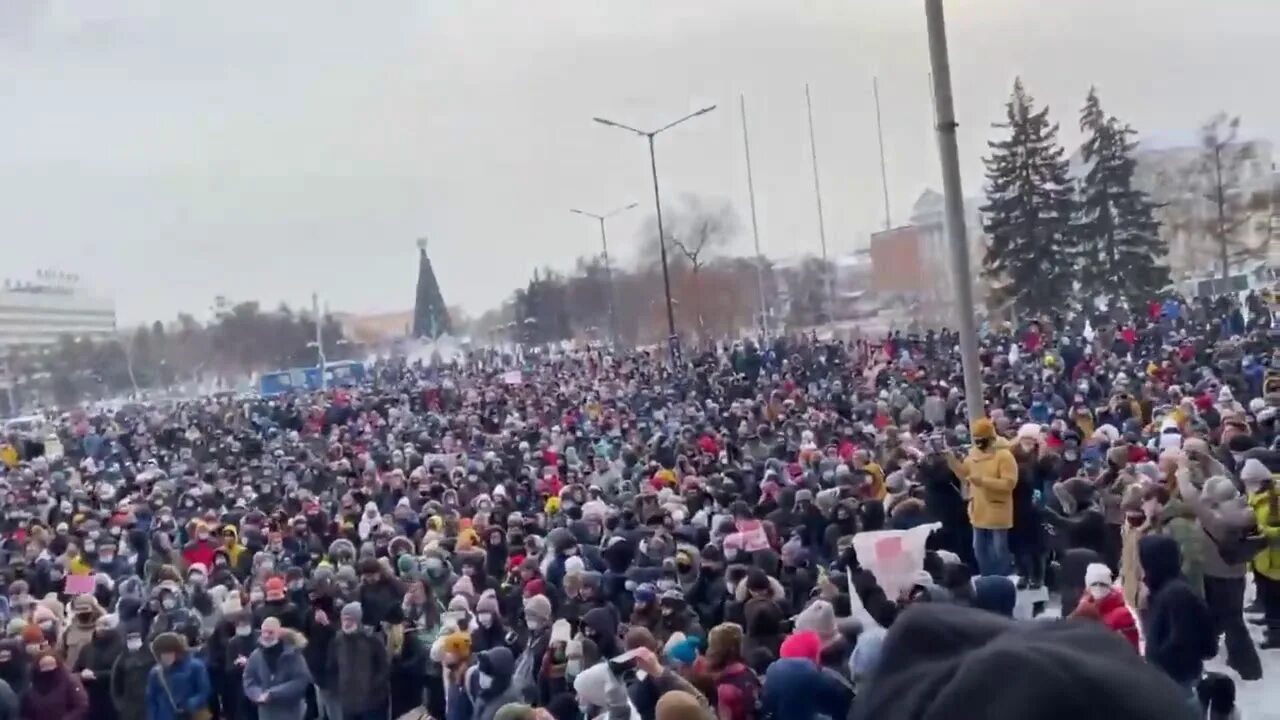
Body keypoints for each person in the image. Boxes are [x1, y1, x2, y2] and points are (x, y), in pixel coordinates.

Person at [1139, 535, 1216, 696]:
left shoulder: (1176, 594)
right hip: (1171, 675)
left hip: (1176, 678)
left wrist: (1157, 659)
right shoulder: (1164, 586)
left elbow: (1181, 640)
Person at [947, 418, 1018, 576]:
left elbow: (1009, 483)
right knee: (979, 548)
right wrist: (951, 461)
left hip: (997, 508)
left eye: (982, 439)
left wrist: (983, 482)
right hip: (978, 508)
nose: (979, 443)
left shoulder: (1004, 456)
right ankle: (987, 576)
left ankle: (1003, 577)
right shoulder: (973, 454)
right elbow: (965, 474)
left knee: (999, 548)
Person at [326, 602, 390, 720]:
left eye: (350, 619)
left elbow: (384, 667)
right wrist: (337, 688)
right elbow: (332, 667)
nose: (346, 623)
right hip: (348, 703)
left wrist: (373, 687)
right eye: (344, 619)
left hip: (372, 703)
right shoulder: (337, 641)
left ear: (359, 619)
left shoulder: (373, 639)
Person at [242, 617, 312, 720]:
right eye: (264, 632)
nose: (266, 636)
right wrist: (257, 694)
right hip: (266, 712)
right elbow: (248, 679)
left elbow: (301, 680)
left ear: (278, 632)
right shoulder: (256, 655)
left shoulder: (293, 654)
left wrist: (273, 693)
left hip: (291, 711)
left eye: (270, 632)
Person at [1068, 563, 1139, 652]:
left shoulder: (1122, 613)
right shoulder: (1087, 603)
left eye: (1102, 584)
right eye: (1094, 584)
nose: (1098, 588)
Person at [145, 632, 212, 720]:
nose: (166, 657)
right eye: (162, 654)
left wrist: (192, 703)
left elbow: (205, 690)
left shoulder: (195, 666)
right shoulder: (156, 672)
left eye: (169, 653)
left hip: (191, 715)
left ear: (178, 652)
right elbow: (152, 699)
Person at [71, 613, 124, 720]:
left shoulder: (121, 648)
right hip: (90, 699)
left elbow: (122, 673)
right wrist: (81, 675)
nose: (101, 629)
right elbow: (75, 670)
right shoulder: (87, 648)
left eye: (106, 626)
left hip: (111, 699)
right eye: (99, 625)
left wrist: (96, 675)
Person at [20, 650, 88, 720]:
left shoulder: (69, 681)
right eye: (44, 667)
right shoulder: (32, 683)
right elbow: (25, 710)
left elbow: (80, 705)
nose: (48, 672)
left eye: (51, 667)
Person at [109, 626, 156, 720]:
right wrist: (120, 706)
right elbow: (116, 684)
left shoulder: (153, 657)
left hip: (149, 706)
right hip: (130, 708)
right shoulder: (122, 659)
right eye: (130, 638)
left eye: (136, 637)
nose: (133, 641)